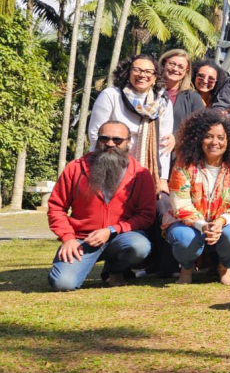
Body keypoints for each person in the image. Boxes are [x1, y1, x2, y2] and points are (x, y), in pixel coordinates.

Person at [47, 122, 155, 290]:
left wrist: (112, 230)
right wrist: (68, 238)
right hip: (83, 239)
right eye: (104, 138)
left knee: (140, 246)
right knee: (63, 283)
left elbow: (146, 215)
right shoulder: (75, 168)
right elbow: (56, 207)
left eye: (117, 140)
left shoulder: (141, 174)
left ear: (128, 142)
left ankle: (114, 270)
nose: (110, 144)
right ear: (97, 140)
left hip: (121, 237)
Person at [163, 109, 230, 285]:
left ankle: (224, 267)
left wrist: (220, 222)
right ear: (198, 139)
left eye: (221, 138)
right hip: (188, 223)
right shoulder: (183, 166)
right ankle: (186, 268)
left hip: (224, 223)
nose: (214, 142)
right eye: (208, 136)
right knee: (183, 238)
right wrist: (202, 225)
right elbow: (180, 204)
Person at [88, 54, 174, 194]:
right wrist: (119, 165)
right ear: (128, 72)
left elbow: (164, 144)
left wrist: (162, 179)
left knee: (162, 204)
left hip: (145, 171)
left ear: (155, 78)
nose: (142, 75)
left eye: (148, 72)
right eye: (137, 70)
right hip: (109, 166)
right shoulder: (111, 95)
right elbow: (95, 134)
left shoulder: (163, 102)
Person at [160, 49, 205, 134]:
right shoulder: (150, 91)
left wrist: (176, 138)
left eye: (181, 67)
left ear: (186, 71)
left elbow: (201, 128)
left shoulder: (193, 98)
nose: (175, 69)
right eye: (172, 64)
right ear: (164, 64)